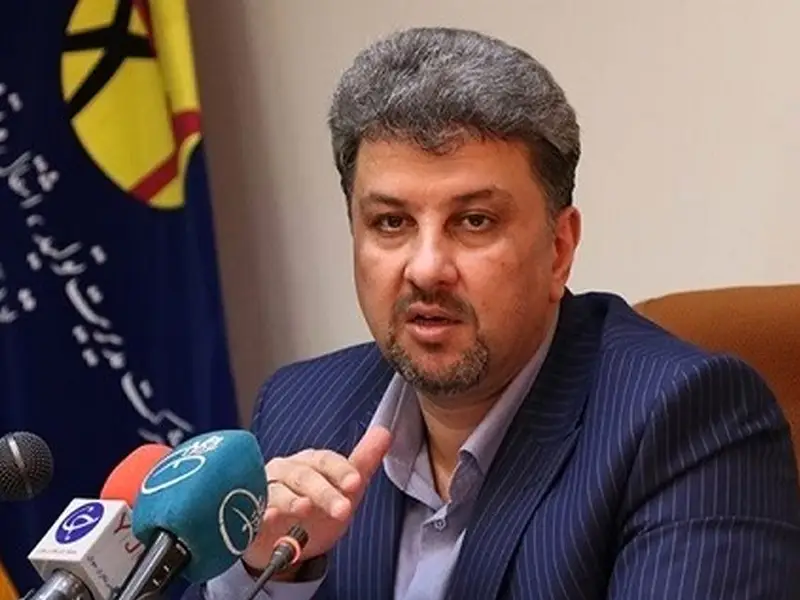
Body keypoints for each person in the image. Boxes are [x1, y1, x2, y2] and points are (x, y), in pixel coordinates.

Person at [189, 26, 800, 600]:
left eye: (474, 221)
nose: (426, 268)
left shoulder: (687, 421)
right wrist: (267, 576)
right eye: (391, 222)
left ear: (559, 248)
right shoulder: (299, 408)